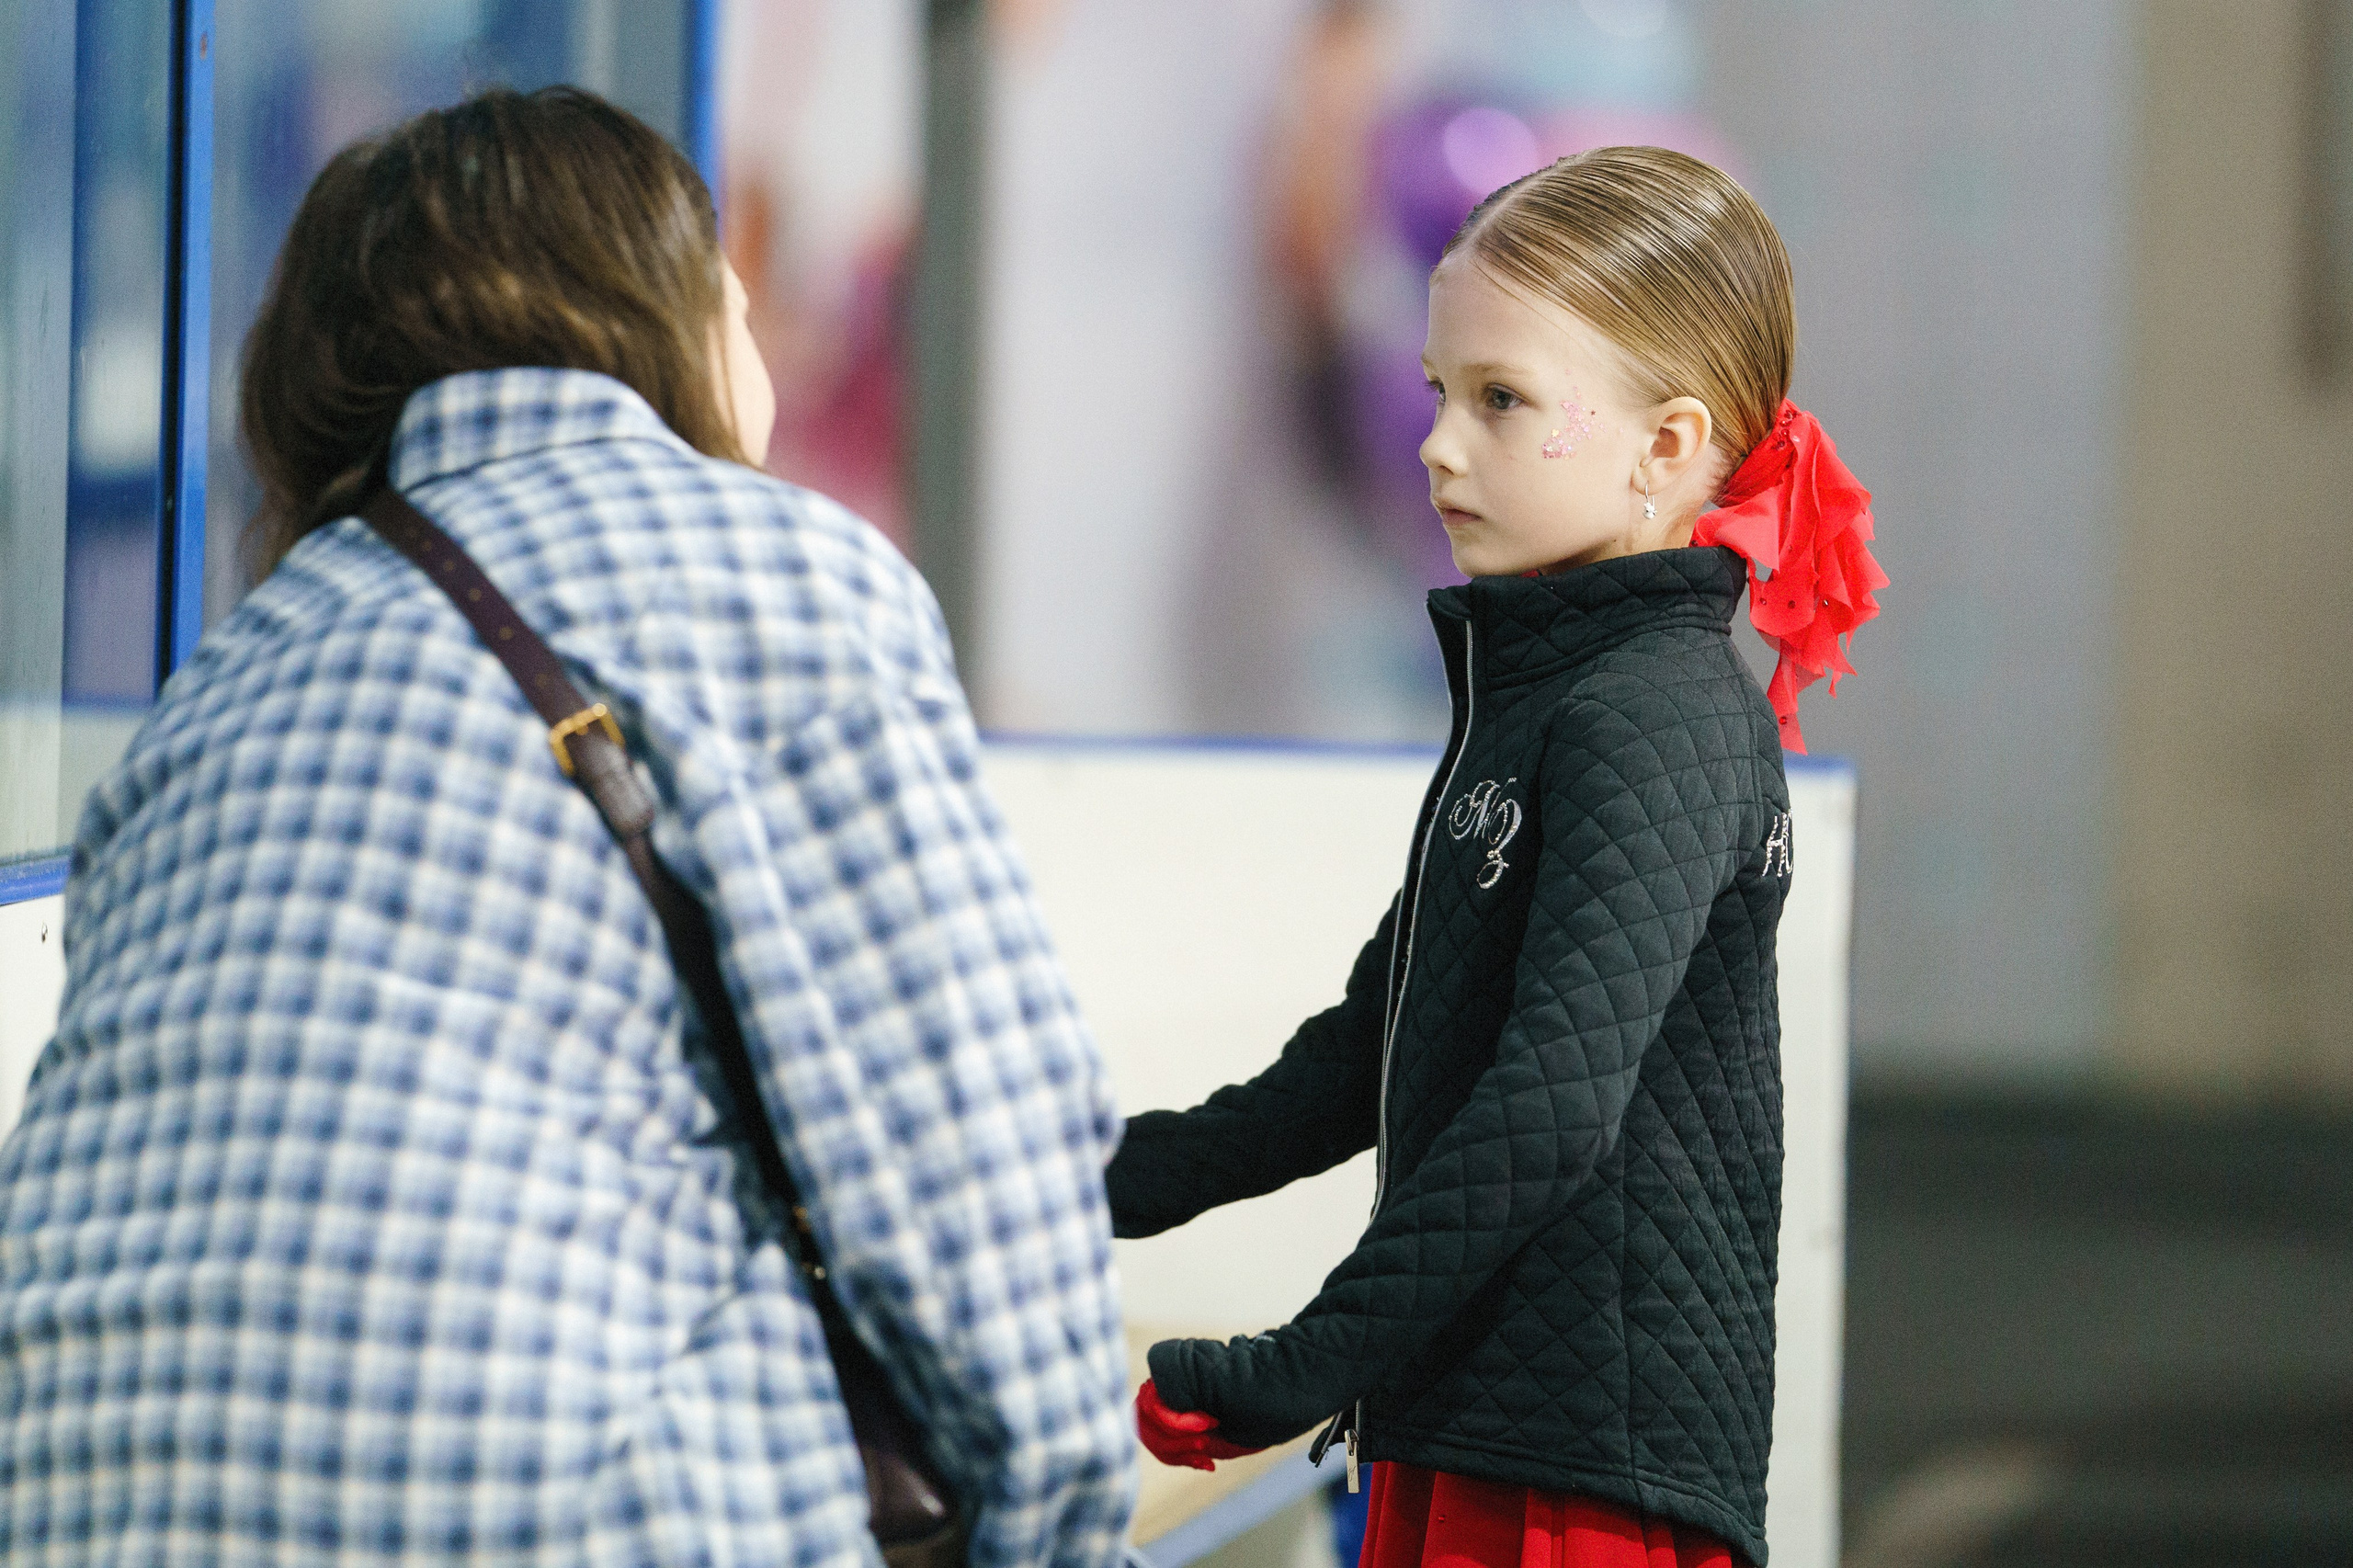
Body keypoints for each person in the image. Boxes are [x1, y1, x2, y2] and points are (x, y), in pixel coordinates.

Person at [0, 88, 1134, 1568]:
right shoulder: (767, 570)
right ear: (665, 320)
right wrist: (1068, 1537)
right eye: (731, 297)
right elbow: (974, 1171)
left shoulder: (226, 677)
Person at [1108, 147, 1886, 1568]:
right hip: (1479, 1429)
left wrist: (1309, 1354)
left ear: (1666, 448)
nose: (1437, 445)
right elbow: (1362, 1051)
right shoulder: (1548, 692)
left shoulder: (1653, 713)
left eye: (1502, 400)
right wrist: (1067, 1184)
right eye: (1439, 393)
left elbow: (1549, 1106)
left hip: (1583, 1481)